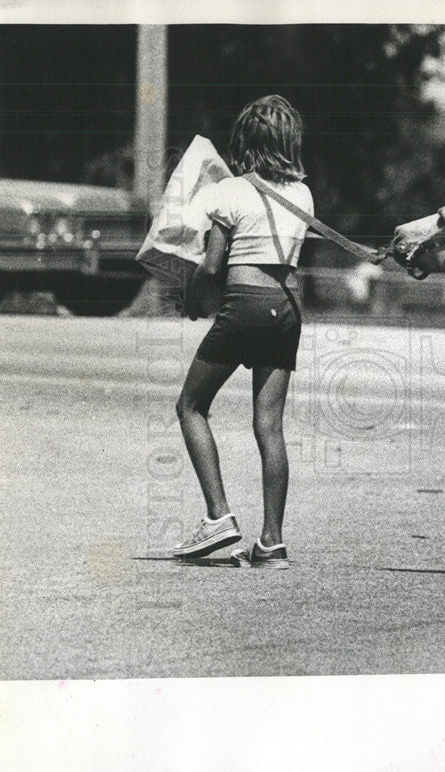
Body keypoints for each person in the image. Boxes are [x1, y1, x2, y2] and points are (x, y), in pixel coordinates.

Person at [171, 95, 315, 569]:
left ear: (243, 143)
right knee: (269, 425)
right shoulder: (303, 195)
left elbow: (212, 267)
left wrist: (191, 300)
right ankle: (272, 541)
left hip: (245, 307)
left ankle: (218, 517)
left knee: (191, 406)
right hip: (289, 307)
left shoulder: (226, 193)